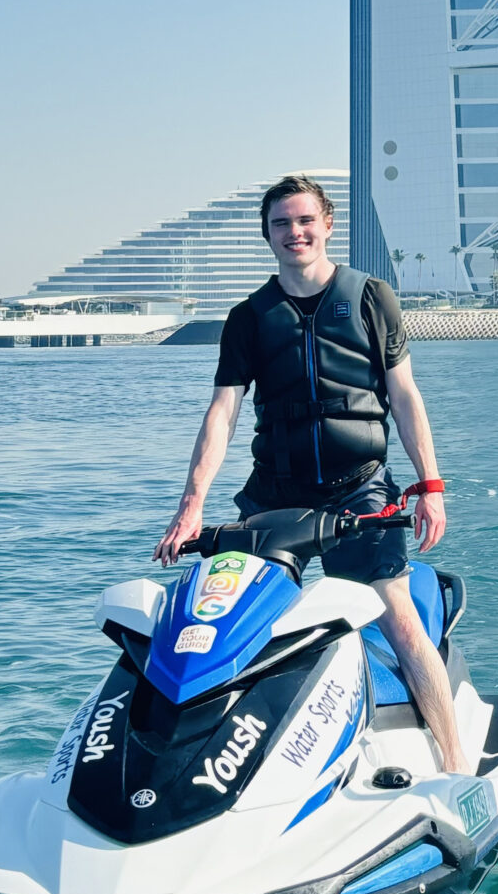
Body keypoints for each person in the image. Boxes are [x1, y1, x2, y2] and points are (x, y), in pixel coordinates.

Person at [154, 172, 472, 777]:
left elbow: (405, 397)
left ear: (327, 224)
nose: (294, 232)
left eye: (305, 221)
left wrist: (430, 485)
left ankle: (457, 769)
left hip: (361, 492)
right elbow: (221, 413)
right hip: (274, 496)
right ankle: (224, 771)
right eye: (281, 223)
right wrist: (192, 505)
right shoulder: (249, 318)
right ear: (267, 235)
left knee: (399, 619)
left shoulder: (372, 297)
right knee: (233, 625)